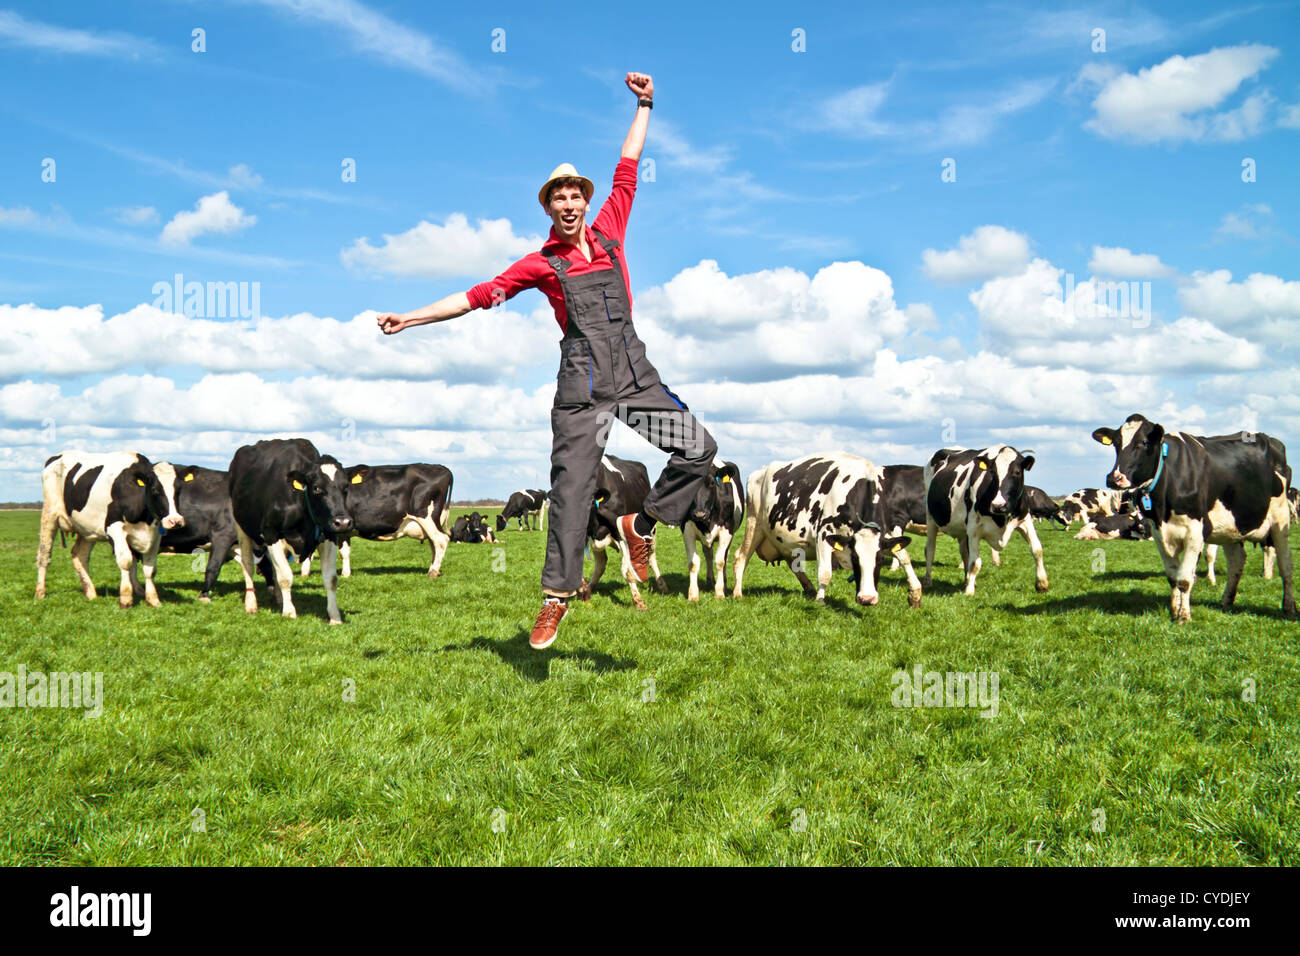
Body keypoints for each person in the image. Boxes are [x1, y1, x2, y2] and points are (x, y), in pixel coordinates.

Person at [376, 72, 718, 651]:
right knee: (572, 490)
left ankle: (644, 523)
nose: (568, 202)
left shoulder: (611, 232)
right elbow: (478, 295)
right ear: (548, 207)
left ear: (585, 201)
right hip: (582, 388)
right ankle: (556, 599)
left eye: (574, 194)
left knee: (700, 448)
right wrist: (411, 317)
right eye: (557, 196)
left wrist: (646, 105)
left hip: (635, 376)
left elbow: (628, 167)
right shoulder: (540, 264)